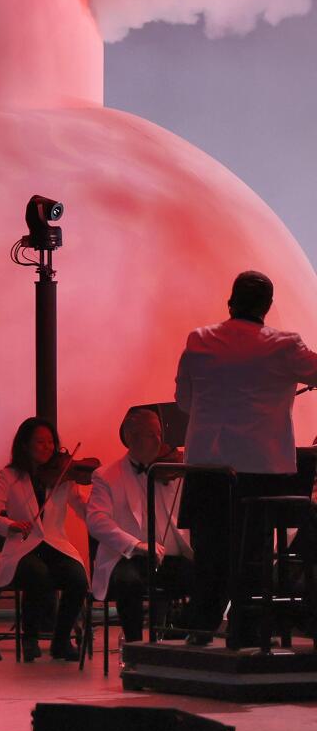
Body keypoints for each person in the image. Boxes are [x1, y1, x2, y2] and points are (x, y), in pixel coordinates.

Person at [175, 270, 317, 647]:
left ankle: (201, 627)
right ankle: (246, 631)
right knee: (252, 552)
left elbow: (184, 402)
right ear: (267, 306)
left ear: (230, 301)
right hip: (260, 468)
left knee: (209, 550)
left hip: (206, 464)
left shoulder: (199, 339)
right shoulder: (284, 345)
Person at [0, 416, 90, 661]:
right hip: (22, 548)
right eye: (40, 442)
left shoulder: (62, 474)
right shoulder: (9, 476)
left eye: (51, 442)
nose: (48, 447)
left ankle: (61, 641)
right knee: (36, 573)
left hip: (55, 545)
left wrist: (99, 508)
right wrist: (10, 524)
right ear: (25, 445)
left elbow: (81, 506)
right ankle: (29, 637)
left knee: (77, 578)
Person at [87, 408, 193, 643]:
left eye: (159, 433)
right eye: (150, 434)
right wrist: (136, 545)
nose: (159, 440)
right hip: (125, 558)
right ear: (131, 438)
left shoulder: (171, 471)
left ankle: (177, 636)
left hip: (166, 556)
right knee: (128, 582)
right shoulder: (106, 475)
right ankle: (135, 646)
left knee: (209, 576)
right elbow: (97, 521)